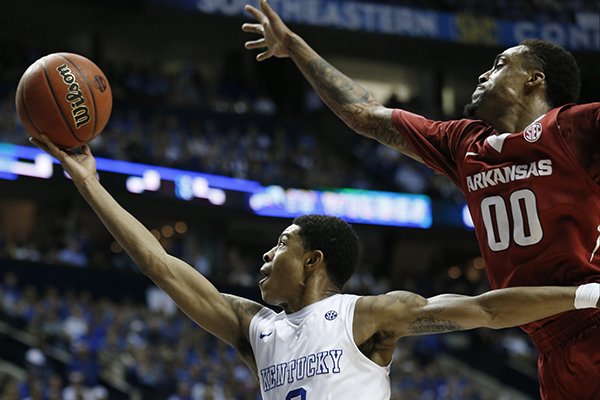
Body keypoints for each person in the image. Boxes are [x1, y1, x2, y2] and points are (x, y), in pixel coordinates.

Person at [30, 135, 600, 400]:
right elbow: (158, 262)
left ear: (313, 260)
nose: (266, 255)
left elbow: (485, 309)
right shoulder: (256, 329)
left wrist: (586, 296)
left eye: (279, 243)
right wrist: (90, 185)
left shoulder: (369, 317)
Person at [241, 1, 600, 398]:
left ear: (535, 79)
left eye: (499, 64)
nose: (484, 72)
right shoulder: (465, 143)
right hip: (549, 342)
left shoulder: (575, 127)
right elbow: (364, 114)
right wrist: (293, 46)